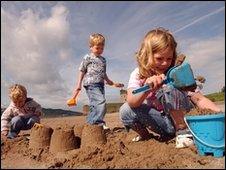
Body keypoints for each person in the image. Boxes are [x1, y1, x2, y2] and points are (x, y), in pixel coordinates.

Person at [119, 27, 221, 142]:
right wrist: (147, 89)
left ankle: (183, 132)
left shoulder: (176, 73)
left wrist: (219, 114)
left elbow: (199, 99)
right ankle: (146, 136)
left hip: (185, 120)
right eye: (159, 58)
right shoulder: (139, 74)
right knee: (125, 110)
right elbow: (132, 101)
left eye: (169, 58)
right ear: (146, 55)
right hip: (163, 123)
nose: (165, 63)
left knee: (170, 87)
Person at [70, 33, 124, 129]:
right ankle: (98, 124)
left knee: (94, 106)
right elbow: (82, 70)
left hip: (100, 85)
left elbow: (103, 73)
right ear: (91, 47)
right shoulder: (88, 57)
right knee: (100, 102)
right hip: (90, 84)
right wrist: (78, 85)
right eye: (97, 48)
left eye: (102, 48)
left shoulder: (103, 60)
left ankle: (90, 126)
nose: (100, 50)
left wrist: (112, 83)